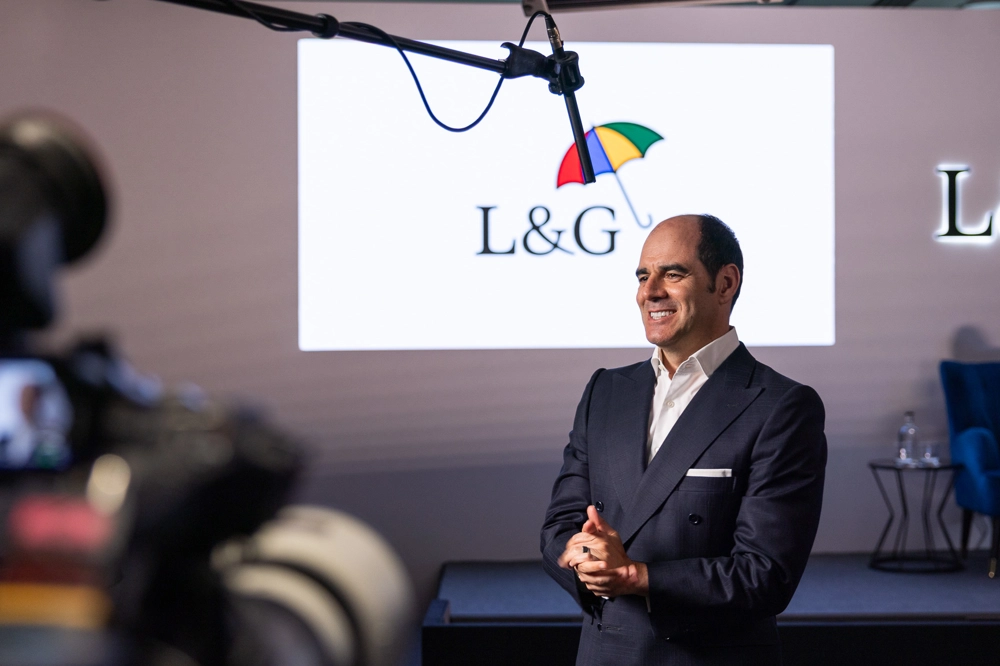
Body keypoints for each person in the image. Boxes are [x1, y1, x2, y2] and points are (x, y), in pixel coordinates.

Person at [541, 214, 827, 666]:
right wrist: (584, 559)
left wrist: (635, 576)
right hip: (606, 652)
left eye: (673, 273)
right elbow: (559, 524)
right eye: (642, 275)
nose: (650, 291)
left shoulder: (782, 407)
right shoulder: (605, 391)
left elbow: (765, 574)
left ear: (725, 283)